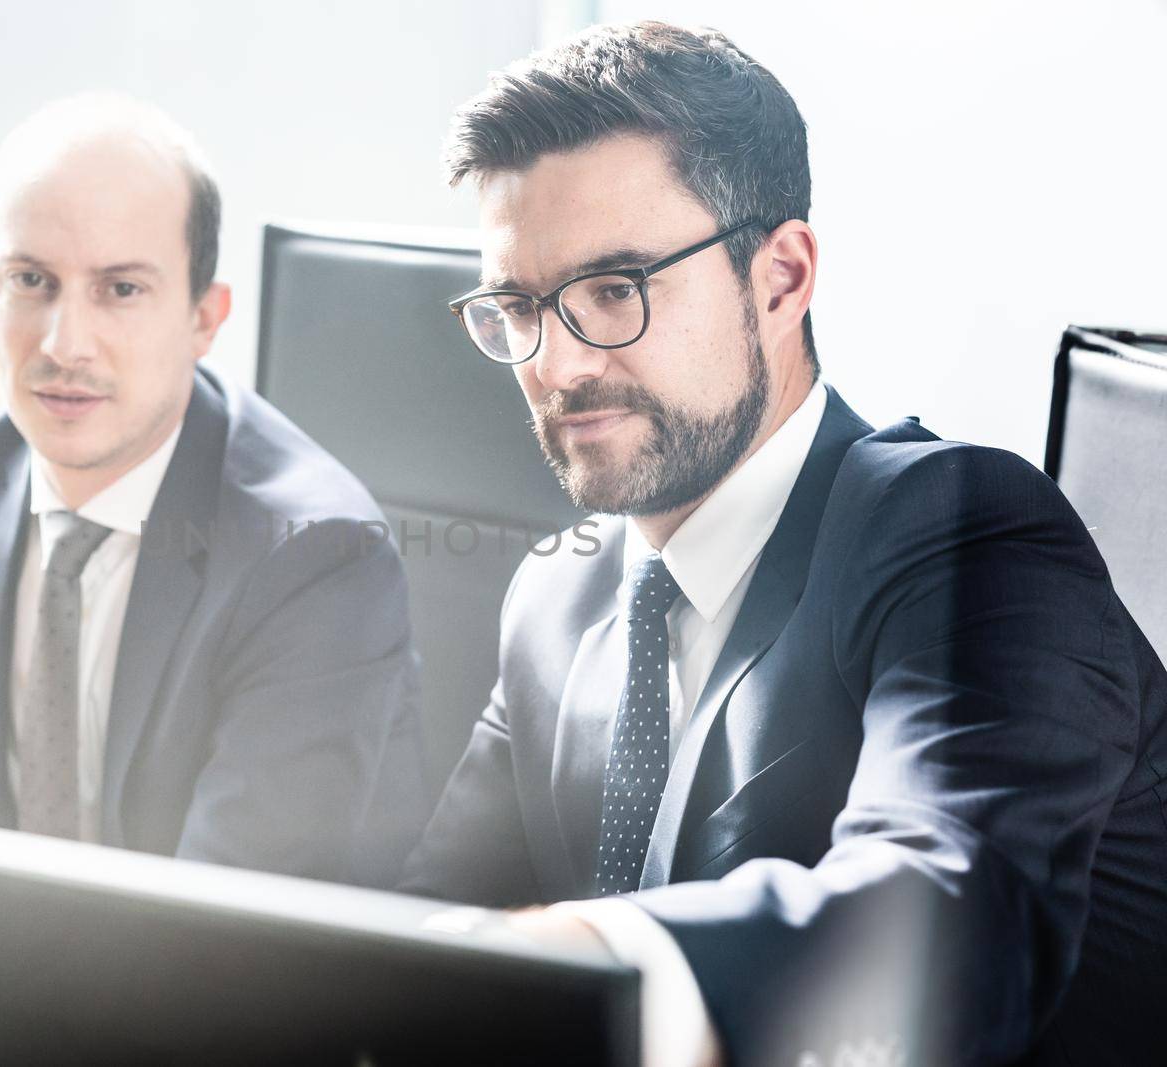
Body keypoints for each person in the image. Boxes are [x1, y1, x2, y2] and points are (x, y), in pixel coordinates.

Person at [399, 22, 1167, 1065]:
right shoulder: (558, 598)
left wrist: (585, 957)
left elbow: (942, 924)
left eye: (614, 291)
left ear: (780, 278)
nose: (558, 363)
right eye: (519, 307)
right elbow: (408, 943)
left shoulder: (968, 534)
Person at [0, 94, 425, 889]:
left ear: (204, 318)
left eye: (121, 290)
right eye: (31, 279)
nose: (66, 344)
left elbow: (232, 925)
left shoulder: (316, 559)